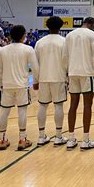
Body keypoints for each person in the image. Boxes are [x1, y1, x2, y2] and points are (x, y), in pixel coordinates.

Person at [62, 17, 94, 151]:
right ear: (92, 24)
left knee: (72, 105)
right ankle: (85, 140)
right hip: (87, 73)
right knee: (87, 105)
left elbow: (64, 56)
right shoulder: (92, 34)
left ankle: (71, 138)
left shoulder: (69, 35)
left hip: (73, 73)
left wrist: (67, 72)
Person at [0, 25, 39, 151]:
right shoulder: (28, 49)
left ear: (10, 36)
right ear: (24, 35)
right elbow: (36, 68)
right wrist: (37, 80)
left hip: (7, 85)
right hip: (22, 85)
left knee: (4, 111)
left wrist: (3, 81)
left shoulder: (3, 50)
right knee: (22, 110)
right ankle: (22, 139)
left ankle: (3, 139)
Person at [33, 16, 68, 147]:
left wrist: (36, 80)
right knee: (58, 105)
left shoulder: (39, 42)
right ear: (61, 26)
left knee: (42, 106)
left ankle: (41, 136)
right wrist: (67, 77)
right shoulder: (64, 41)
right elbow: (66, 61)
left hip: (43, 78)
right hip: (58, 77)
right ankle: (58, 136)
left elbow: (35, 64)